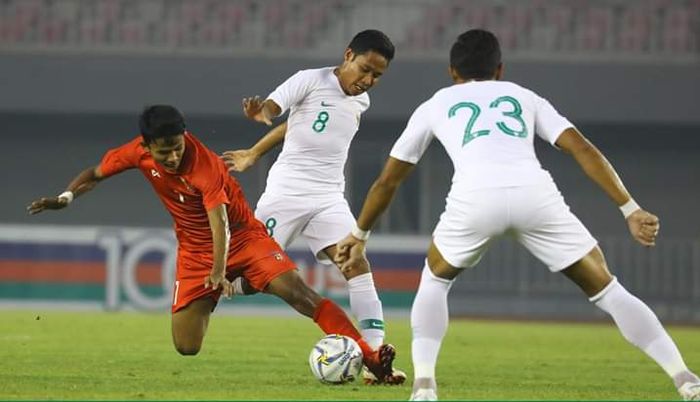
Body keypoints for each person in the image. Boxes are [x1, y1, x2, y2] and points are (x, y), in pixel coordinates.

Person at [334, 29, 700, 401]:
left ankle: (424, 385)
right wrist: (630, 208)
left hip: (474, 199)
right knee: (608, 289)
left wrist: (360, 235)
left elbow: (388, 181)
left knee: (435, 281)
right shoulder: (524, 97)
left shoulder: (436, 104)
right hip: (535, 196)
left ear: (452, 71)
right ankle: (685, 378)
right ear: (500, 69)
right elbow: (581, 148)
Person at [26, 104, 401, 384]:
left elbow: (218, 221)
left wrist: (220, 273)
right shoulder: (135, 153)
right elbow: (95, 173)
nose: (172, 156)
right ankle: (236, 287)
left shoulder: (203, 164)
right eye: (163, 151)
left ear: (184, 136)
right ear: (146, 146)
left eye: (177, 147)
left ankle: (373, 360)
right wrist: (67, 197)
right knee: (186, 347)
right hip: (194, 252)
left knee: (300, 294)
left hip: (244, 238)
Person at [222, 29, 405, 384]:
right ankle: (220, 287)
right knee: (248, 274)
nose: (368, 80)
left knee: (354, 260)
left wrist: (257, 150)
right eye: (365, 69)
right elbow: (274, 111)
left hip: (328, 197)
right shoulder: (310, 79)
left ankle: (376, 355)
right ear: (348, 55)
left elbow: (299, 125)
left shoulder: (361, 101)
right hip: (286, 193)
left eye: (377, 76)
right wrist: (260, 119)